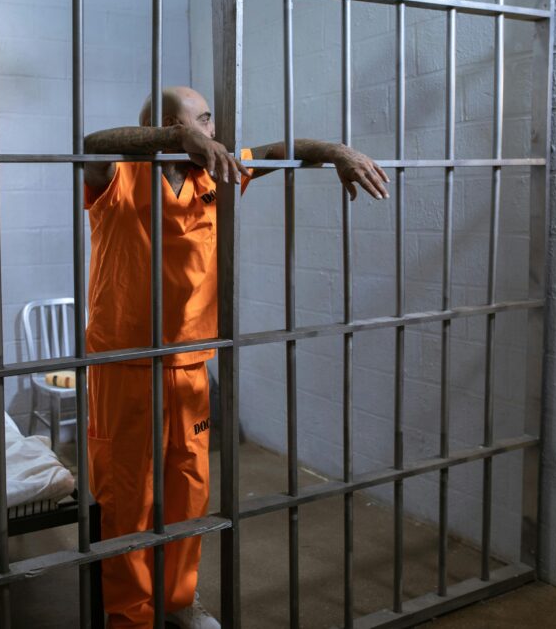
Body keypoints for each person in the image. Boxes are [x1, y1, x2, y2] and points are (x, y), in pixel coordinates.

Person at [83, 86, 389, 629]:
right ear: (166, 126)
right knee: (128, 495)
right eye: (200, 120)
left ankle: (177, 602)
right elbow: (92, 141)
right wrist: (173, 140)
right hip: (125, 364)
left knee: (188, 490)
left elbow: (278, 151)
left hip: (190, 363)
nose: (213, 130)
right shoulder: (118, 178)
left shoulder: (217, 174)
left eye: (210, 120)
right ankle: (129, 616)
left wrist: (338, 151)